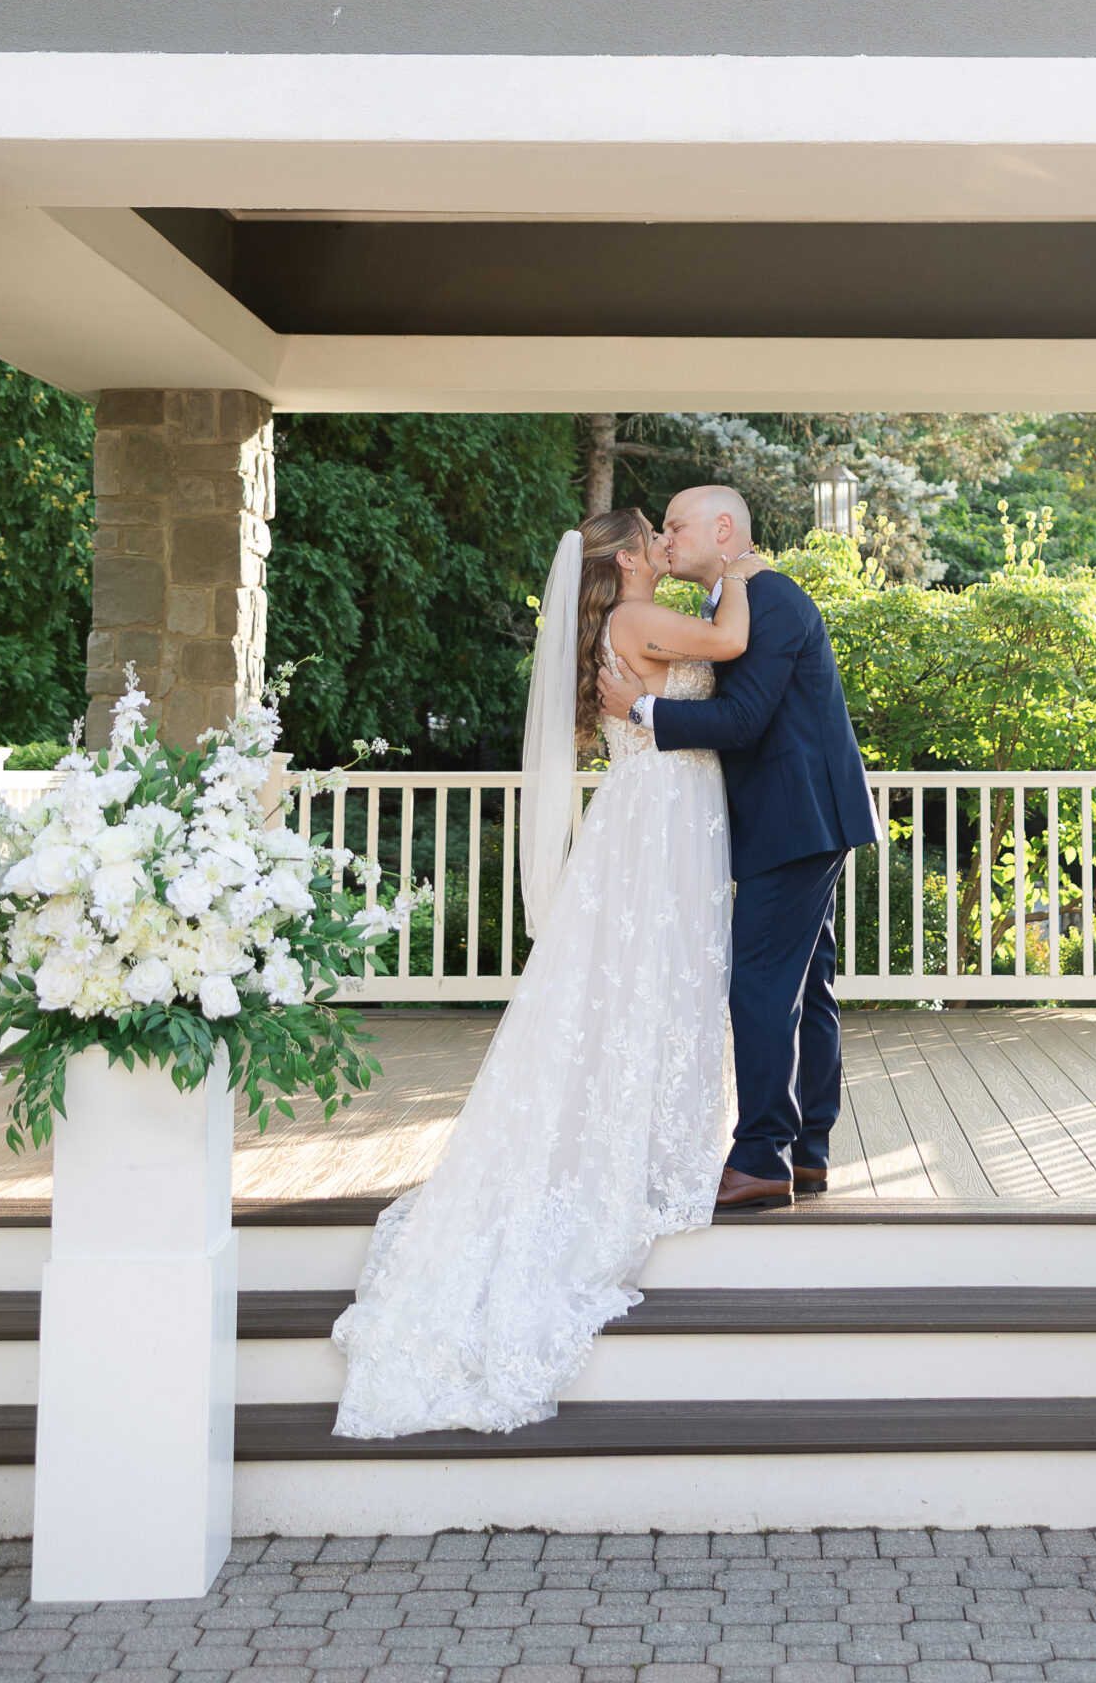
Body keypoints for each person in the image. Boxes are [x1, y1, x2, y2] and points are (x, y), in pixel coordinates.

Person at [331, 506, 755, 1436]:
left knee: (635, 985)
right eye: (655, 537)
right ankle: (653, 1149)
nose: (662, 546)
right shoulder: (640, 621)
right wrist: (742, 563)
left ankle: (642, 1133)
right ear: (630, 559)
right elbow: (729, 637)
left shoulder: (615, 628)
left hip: (651, 815)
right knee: (656, 978)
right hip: (662, 822)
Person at [600, 485, 878, 1211]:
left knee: (756, 983)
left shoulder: (773, 598)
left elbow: (745, 720)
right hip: (794, 819)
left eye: (677, 525)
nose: (666, 538)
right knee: (804, 986)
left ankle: (759, 1157)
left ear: (723, 529)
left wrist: (638, 709)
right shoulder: (729, 604)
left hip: (795, 820)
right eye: (658, 529)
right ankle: (805, 1153)